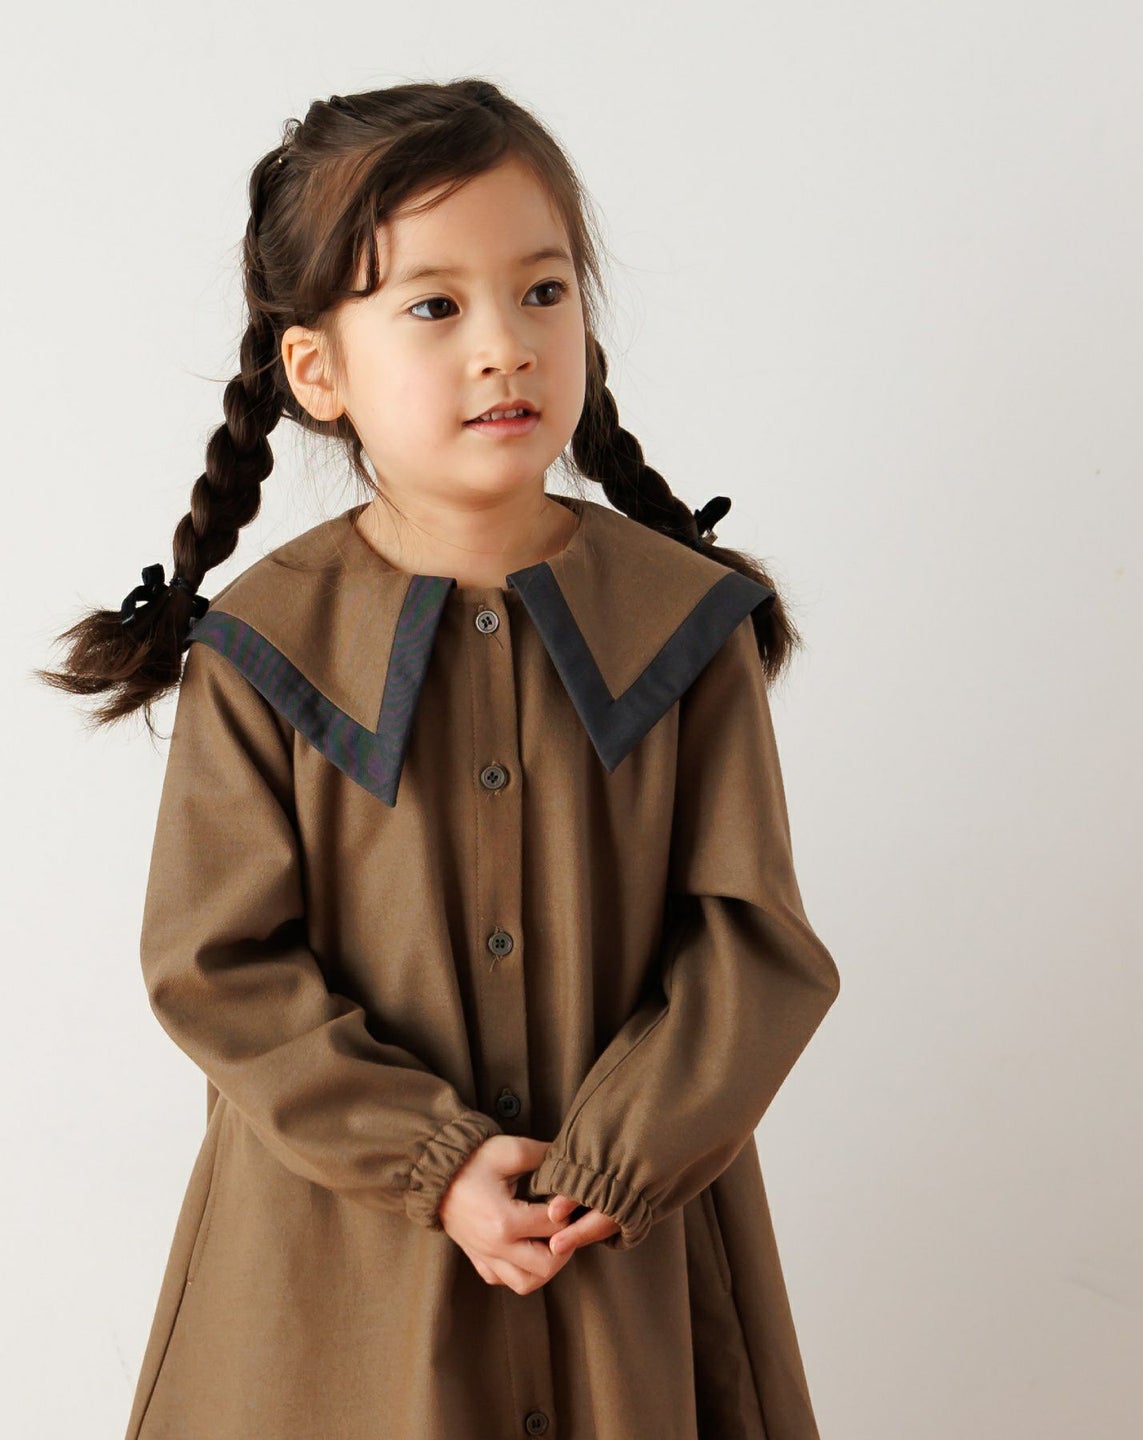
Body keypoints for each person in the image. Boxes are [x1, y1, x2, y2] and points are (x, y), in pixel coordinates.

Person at [36, 78, 841, 1440]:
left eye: (543, 292)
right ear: (318, 371)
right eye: (434, 306)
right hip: (339, 1273)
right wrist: (437, 1164)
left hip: (618, 1257)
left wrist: (610, 1169)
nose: (505, 346)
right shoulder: (263, 650)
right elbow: (217, 966)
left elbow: (752, 945)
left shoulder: (687, 627)